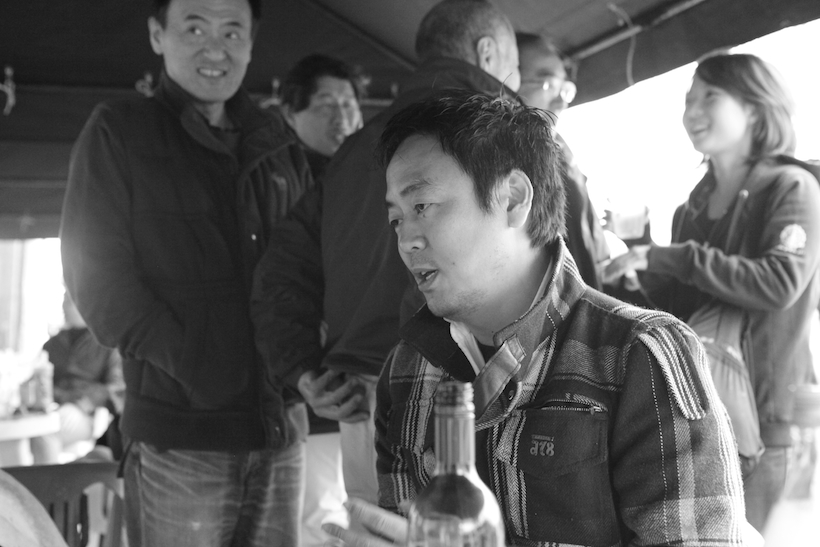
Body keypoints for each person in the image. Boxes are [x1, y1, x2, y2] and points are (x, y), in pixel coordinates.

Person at [325, 89, 750, 546]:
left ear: (512, 199)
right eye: (396, 219)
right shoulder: (407, 369)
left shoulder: (641, 356)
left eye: (422, 206)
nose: (406, 239)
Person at [59, 0, 314, 545]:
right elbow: (98, 284)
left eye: (231, 31)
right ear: (157, 34)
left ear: (251, 43)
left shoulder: (278, 140)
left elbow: (307, 268)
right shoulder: (120, 131)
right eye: (194, 27)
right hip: (179, 436)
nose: (214, 48)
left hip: (282, 429)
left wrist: (307, 365)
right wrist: (195, 365)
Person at [252, 0, 520, 511]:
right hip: (480, 390)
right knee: (481, 530)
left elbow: (280, 272)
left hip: (363, 394)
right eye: (516, 65)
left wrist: (302, 370)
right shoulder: (503, 130)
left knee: (379, 531)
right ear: (488, 53)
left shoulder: (353, 152)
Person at [604, 52, 820, 531]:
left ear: (756, 109)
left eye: (710, 97)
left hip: (771, 421)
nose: (692, 112)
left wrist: (672, 257)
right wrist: (636, 268)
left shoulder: (792, 186)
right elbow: (681, 313)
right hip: (703, 413)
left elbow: (779, 283)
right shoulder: (690, 208)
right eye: (688, 100)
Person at [277, 53, 365, 545]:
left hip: (363, 385)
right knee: (318, 520)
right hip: (308, 386)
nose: (342, 116)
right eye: (326, 104)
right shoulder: (283, 182)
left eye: (349, 103)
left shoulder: (371, 175)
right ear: (290, 114)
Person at [515, 32, 610, 290]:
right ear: (511, 81)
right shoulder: (502, 157)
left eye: (565, 89)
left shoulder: (563, 152)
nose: (560, 101)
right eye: (547, 84)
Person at [29, 291, 124, 464]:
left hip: (85, 415)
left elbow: (115, 387)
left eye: (70, 302)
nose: (64, 306)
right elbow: (39, 380)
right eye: (64, 301)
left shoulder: (107, 343)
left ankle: (48, 482)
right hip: (51, 410)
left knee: (46, 434)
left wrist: (81, 405)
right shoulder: (53, 344)